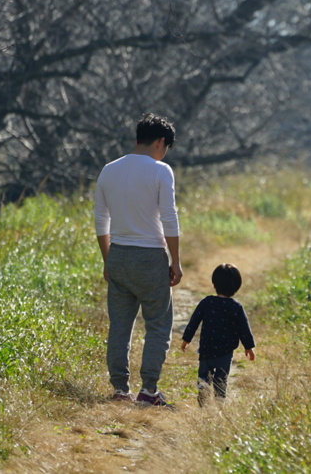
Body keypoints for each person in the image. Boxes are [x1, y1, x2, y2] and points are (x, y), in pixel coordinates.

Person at [94, 113, 183, 407]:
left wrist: (108, 259)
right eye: (165, 147)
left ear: (137, 138)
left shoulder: (109, 170)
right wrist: (176, 260)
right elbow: (169, 218)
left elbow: (100, 219)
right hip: (149, 257)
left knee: (120, 325)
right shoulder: (161, 171)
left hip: (118, 252)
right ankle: (149, 390)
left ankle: (120, 389)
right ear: (161, 142)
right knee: (158, 324)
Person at [181, 263, 256, 406]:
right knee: (221, 379)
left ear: (214, 284)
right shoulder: (236, 307)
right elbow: (244, 329)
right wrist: (249, 347)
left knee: (204, 377)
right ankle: (219, 404)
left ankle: (203, 400)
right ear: (236, 286)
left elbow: (194, 321)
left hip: (206, 350)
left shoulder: (207, 302)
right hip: (225, 353)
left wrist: (187, 338)